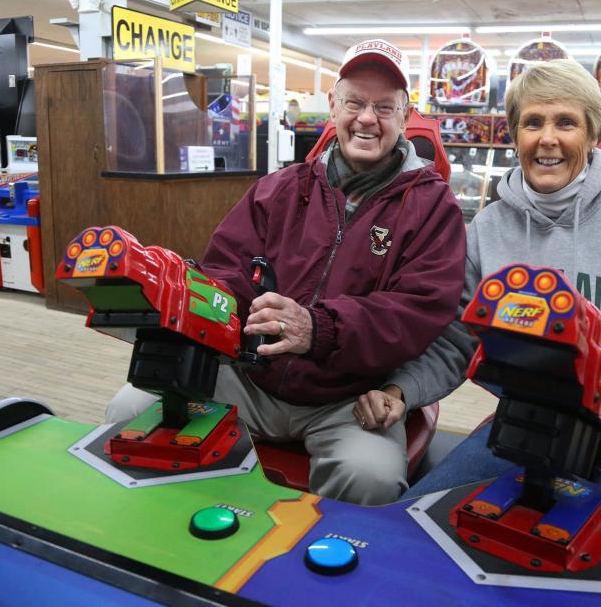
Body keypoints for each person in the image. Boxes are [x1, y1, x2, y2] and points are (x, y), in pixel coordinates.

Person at [380, 59, 601, 567]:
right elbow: (456, 340)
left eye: (565, 122)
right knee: (421, 514)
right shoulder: (488, 229)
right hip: (527, 418)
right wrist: (401, 390)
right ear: (515, 134)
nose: (548, 138)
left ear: (592, 135)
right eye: (533, 122)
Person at [107, 39, 466, 505]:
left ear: (405, 115)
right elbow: (228, 272)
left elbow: (416, 313)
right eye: (355, 102)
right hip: (248, 377)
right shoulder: (279, 189)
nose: (366, 118)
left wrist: (319, 328)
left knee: (371, 476)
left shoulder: (434, 208)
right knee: (129, 408)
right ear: (333, 105)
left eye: (383, 107)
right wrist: (178, 293)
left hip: (349, 397)